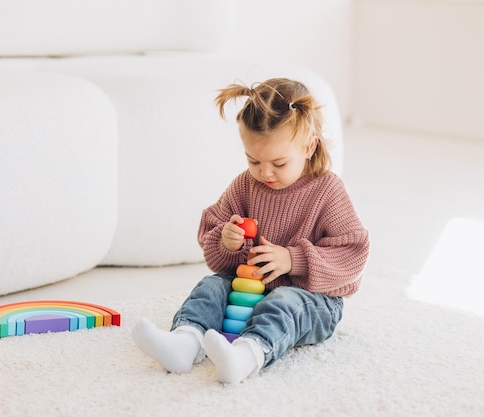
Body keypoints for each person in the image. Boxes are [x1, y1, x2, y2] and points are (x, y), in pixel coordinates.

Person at [132, 78, 370, 384]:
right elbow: (212, 234)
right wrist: (226, 241)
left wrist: (292, 260)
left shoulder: (328, 190)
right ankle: (185, 340)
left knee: (285, 301)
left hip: (313, 301)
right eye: (253, 160)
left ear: (309, 147)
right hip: (249, 290)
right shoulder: (246, 185)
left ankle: (247, 355)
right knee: (212, 286)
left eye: (279, 163)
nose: (265, 172)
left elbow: (353, 254)